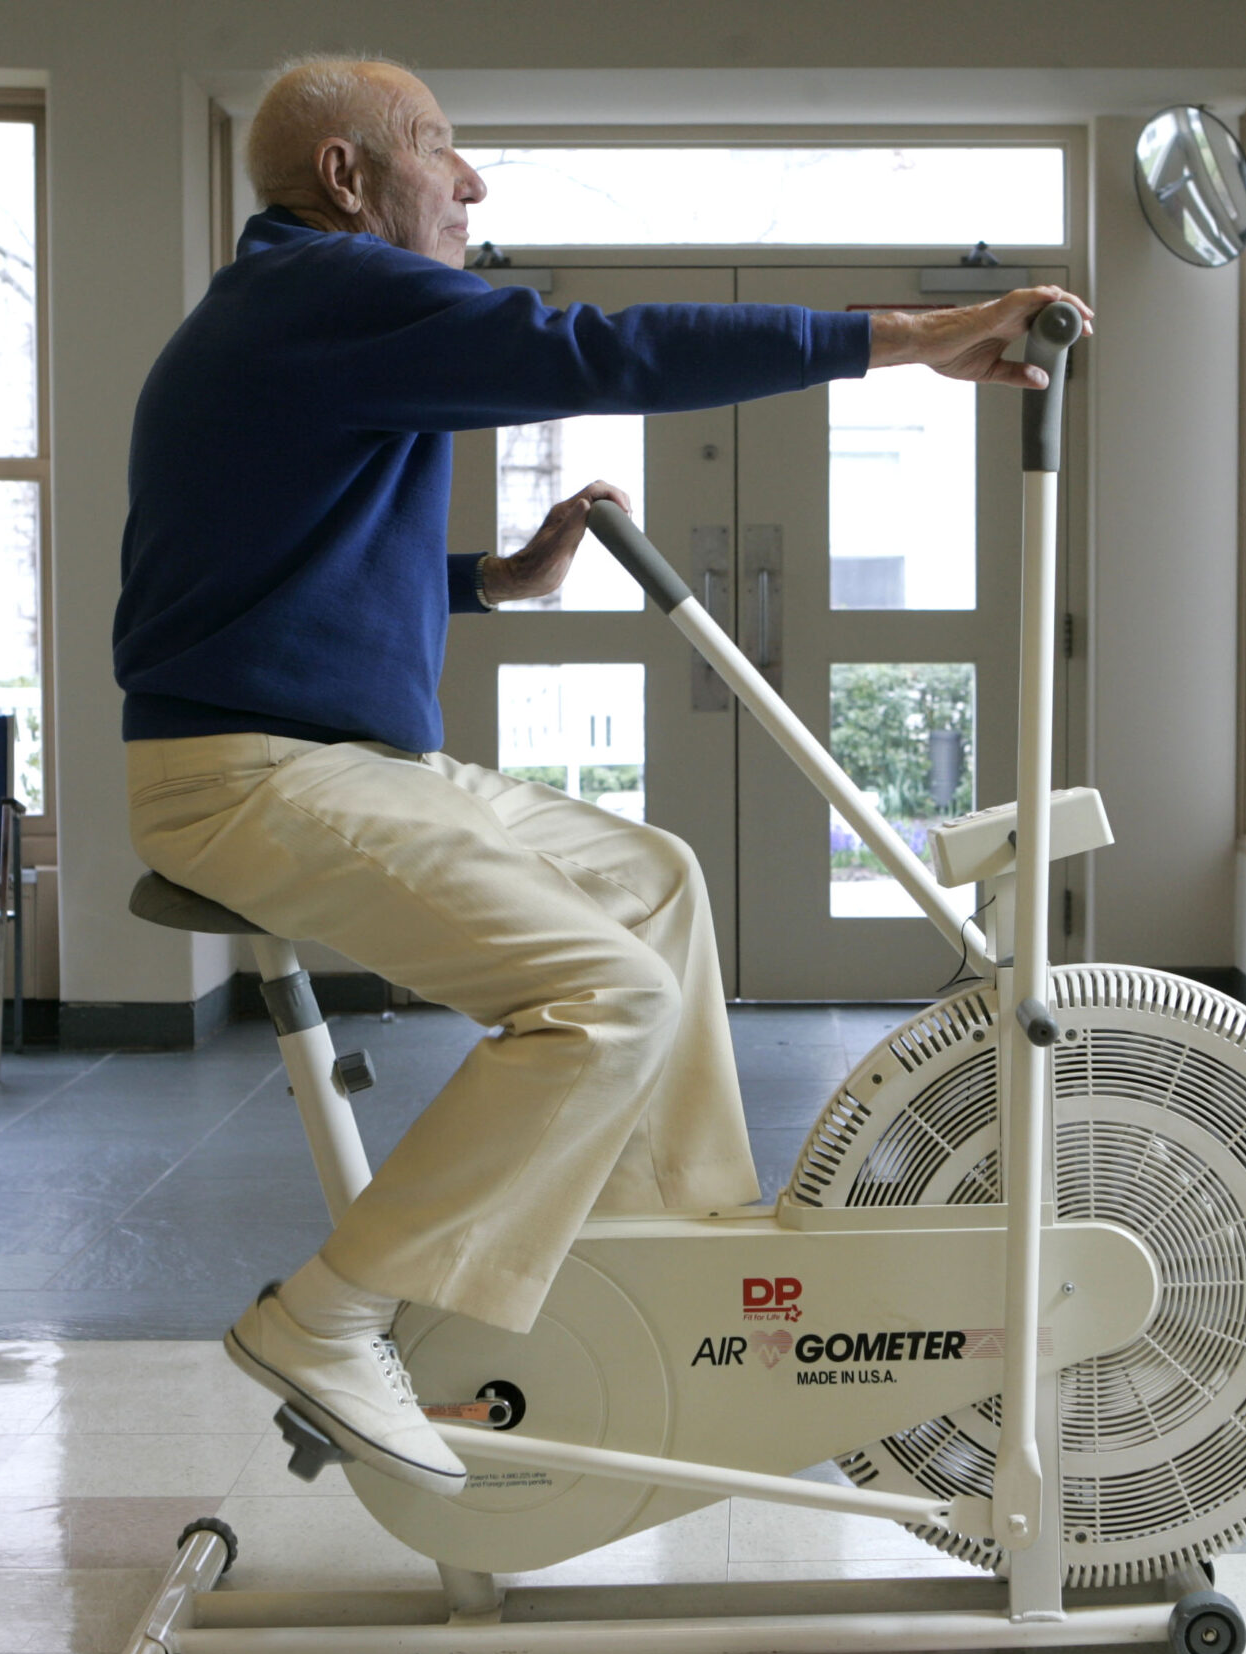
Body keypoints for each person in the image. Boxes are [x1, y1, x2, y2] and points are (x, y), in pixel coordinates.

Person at [114, 55, 1091, 1496]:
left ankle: (679, 1278)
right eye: (441, 150)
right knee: (604, 994)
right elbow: (602, 353)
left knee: (657, 879)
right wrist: (918, 336)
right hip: (254, 776)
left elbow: (266, 561)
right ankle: (325, 1318)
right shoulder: (323, 292)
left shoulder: (296, 316)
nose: (471, 183)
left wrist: (487, 581)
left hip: (336, 756)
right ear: (346, 178)